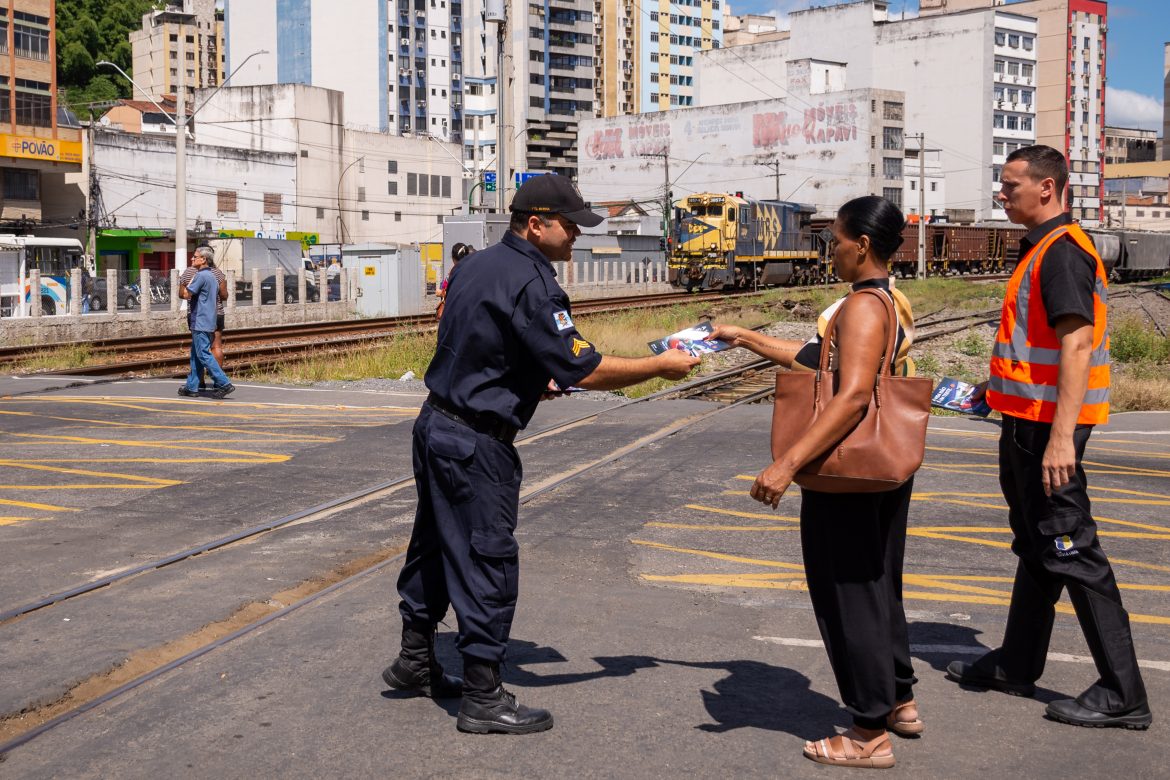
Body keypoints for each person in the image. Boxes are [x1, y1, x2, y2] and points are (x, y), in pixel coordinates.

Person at [384, 173, 699, 735]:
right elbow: (585, 367)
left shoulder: (476, 265)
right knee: (487, 559)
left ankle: (414, 659)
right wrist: (659, 366)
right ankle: (482, 697)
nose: (577, 235)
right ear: (536, 224)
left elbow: (484, 342)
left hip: (436, 424)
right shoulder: (535, 283)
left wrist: (529, 378)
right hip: (476, 443)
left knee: (434, 544)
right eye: (570, 226)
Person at [708, 196, 920, 769]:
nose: (832, 252)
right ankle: (898, 700)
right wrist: (747, 338)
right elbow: (817, 360)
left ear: (863, 245)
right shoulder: (888, 299)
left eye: (838, 242)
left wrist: (787, 464)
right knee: (877, 587)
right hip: (880, 467)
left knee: (848, 595)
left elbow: (851, 396)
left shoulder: (861, 307)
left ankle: (867, 732)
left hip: (844, 474)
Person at [945, 145, 1151, 730]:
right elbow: (1032, 346)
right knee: (1038, 544)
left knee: (1071, 548)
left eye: (1010, 185)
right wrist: (995, 390)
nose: (1002, 194)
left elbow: (1077, 345)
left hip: (1047, 428)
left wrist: (1061, 439)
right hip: (1024, 419)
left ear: (1046, 188)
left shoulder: (1061, 252)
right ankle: (1016, 664)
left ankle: (1123, 692)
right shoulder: (1040, 248)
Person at [178, 247, 234, 399]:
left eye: (195, 256)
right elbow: (223, 295)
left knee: (203, 354)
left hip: (200, 320)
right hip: (209, 320)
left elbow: (185, 294)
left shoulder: (200, 276)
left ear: (203, 259)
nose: (192, 259)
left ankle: (224, 383)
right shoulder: (212, 276)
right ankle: (192, 387)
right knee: (195, 354)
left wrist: (186, 281)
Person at [435, 242, 473, 319]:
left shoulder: (452, 272)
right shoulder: (473, 271)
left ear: (453, 258)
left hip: (454, 313)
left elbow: (442, 290)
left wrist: (442, 293)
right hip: (470, 313)